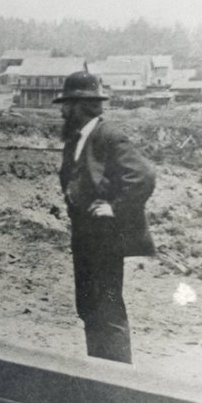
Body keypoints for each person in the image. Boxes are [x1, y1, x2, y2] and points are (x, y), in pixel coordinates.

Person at [54, 71, 156, 363]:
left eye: (66, 104)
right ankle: (100, 372)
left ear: (79, 106)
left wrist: (115, 207)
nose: (62, 110)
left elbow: (143, 175)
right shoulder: (76, 140)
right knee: (88, 307)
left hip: (105, 240)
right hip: (85, 240)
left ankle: (118, 383)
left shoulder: (108, 135)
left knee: (108, 311)